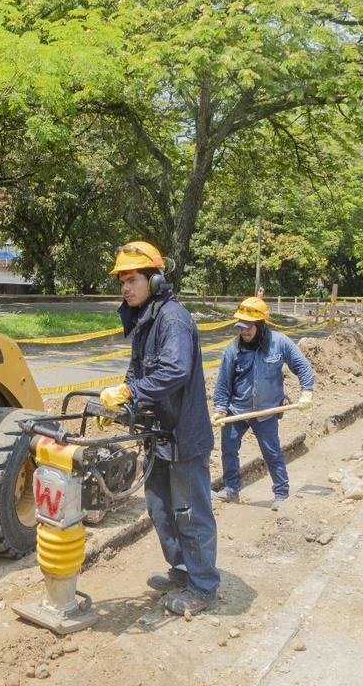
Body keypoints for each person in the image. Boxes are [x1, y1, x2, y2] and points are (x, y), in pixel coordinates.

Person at [99, 241, 217, 616]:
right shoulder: (145, 319)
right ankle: (183, 571)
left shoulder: (173, 319)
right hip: (158, 435)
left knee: (189, 512)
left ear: (156, 279)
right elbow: (139, 372)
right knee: (161, 509)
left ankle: (203, 586)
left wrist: (132, 390)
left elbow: (175, 371)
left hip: (183, 436)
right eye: (122, 282)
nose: (126, 288)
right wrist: (124, 403)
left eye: (132, 279)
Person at [211, 297, 315, 511]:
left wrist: (307, 392)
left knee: (272, 452)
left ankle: (282, 493)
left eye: (248, 327)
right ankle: (231, 490)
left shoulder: (280, 343)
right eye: (240, 326)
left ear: (260, 324)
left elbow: (303, 367)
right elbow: (223, 382)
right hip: (236, 410)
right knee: (229, 450)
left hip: (267, 411)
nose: (244, 331)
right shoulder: (233, 350)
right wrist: (221, 409)